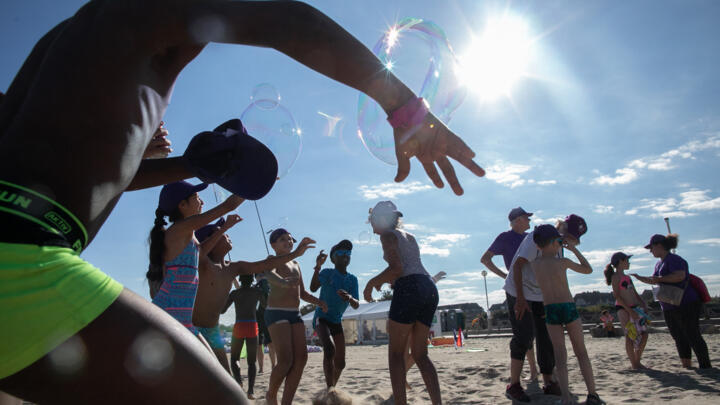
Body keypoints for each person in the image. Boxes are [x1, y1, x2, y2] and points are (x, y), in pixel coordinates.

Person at [0, 1, 487, 401]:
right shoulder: (139, 16)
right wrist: (402, 106)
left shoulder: (64, 41)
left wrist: (190, 164)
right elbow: (284, 20)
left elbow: (66, 173)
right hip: (21, 255)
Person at [193, 216, 308, 387]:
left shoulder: (234, 267)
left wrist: (296, 254)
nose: (227, 235)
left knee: (225, 381)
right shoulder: (202, 263)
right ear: (210, 241)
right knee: (197, 379)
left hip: (213, 330)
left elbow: (261, 266)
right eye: (220, 233)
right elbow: (199, 251)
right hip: (192, 328)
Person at [363, 201, 441, 405]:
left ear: (381, 220)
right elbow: (409, 266)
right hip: (428, 286)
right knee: (421, 355)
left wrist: (372, 283)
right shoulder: (410, 236)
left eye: (371, 221)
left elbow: (397, 268)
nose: (371, 228)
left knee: (396, 356)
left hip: (410, 288)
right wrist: (387, 279)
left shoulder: (387, 235)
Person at [503, 214, 587, 402]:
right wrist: (521, 299)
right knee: (523, 336)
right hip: (518, 291)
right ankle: (514, 384)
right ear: (562, 228)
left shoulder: (558, 247)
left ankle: (549, 380)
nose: (570, 241)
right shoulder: (539, 238)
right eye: (570, 236)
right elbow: (517, 267)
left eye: (574, 239)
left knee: (546, 336)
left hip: (541, 296)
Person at [148, 181, 240, 339]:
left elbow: (201, 252)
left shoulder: (187, 234)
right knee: (208, 364)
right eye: (197, 197)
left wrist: (224, 229)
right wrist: (255, 184)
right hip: (169, 315)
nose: (202, 201)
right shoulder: (179, 229)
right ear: (182, 205)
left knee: (210, 363)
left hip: (182, 317)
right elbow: (228, 206)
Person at [530, 224, 601, 405]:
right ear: (555, 243)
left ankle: (566, 398)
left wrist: (552, 244)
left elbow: (541, 251)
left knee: (560, 356)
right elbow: (588, 269)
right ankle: (592, 394)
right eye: (559, 242)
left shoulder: (535, 264)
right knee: (581, 352)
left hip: (551, 309)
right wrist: (574, 250)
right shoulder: (562, 262)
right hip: (567, 306)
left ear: (538, 245)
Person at [264, 228, 326, 405]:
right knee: (285, 361)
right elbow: (268, 274)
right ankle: (271, 394)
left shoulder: (296, 264)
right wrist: (281, 282)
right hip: (276, 312)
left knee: (301, 359)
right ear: (273, 244)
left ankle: (287, 402)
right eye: (283, 239)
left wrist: (318, 302)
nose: (288, 242)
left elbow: (303, 292)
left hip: (294, 313)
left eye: (290, 239)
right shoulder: (272, 260)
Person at [631, 234, 711, 369]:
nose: (650, 251)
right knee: (678, 336)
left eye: (651, 248)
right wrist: (641, 278)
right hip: (669, 305)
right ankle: (687, 365)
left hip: (685, 302)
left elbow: (680, 276)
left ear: (659, 246)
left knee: (692, 334)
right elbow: (656, 279)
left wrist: (659, 279)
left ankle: (705, 365)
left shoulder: (674, 259)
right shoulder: (659, 263)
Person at [480, 206, 538, 382]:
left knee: (538, 330)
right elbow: (485, 259)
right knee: (523, 332)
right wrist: (506, 276)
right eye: (526, 218)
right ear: (517, 220)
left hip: (535, 289)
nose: (529, 221)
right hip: (516, 289)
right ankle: (533, 371)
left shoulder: (530, 238)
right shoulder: (505, 237)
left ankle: (542, 371)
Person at [309, 240, 360, 389]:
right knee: (329, 349)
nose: (345, 255)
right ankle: (331, 390)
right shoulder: (327, 273)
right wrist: (318, 267)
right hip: (322, 317)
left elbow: (356, 305)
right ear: (333, 258)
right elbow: (312, 288)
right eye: (341, 253)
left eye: (348, 253)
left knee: (341, 363)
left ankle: (331, 388)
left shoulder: (352, 279)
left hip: (336, 320)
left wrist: (350, 298)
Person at [223, 275, 265, 399]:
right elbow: (265, 305)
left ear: (240, 280)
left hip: (239, 325)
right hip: (252, 326)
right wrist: (260, 291)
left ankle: (239, 381)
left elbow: (222, 311)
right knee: (252, 362)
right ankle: (251, 391)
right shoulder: (257, 292)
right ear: (252, 280)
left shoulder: (235, 293)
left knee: (234, 358)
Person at [604, 252, 649, 369]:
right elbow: (617, 296)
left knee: (644, 334)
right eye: (627, 260)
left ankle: (637, 360)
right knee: (629, 336)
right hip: (623, 309)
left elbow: (634, 292)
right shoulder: (615, 277)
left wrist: (643, 304)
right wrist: (629, 311)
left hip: (634, 308)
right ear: (620, 262)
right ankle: (635, 363)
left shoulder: (627, 277)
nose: (629, 263)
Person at [255, 274, 276, 374]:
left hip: (260, 317)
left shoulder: (258, 287)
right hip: (266, 316)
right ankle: (270, 366)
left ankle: (263, 368)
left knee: (261, 345)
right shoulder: (267, 286)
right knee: (268, 344)